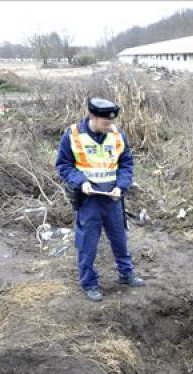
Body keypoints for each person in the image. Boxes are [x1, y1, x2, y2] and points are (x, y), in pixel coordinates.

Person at [56, 97, 145, 301]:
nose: (110, 126)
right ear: (92, 117)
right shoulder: (73, 135)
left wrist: (121, 186)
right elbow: (64, 165)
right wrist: (81, 182)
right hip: (88, 200)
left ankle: (126, 274)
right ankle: (89, 283)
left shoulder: (117, 135)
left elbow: (126, 163)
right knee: (87, 242)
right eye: (106, 123)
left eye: (112, 122)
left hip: (113, 198)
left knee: (120, 239)